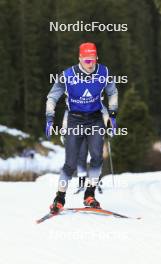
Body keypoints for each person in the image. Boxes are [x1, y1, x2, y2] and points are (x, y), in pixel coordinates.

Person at [46, 42, 118, 213]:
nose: (90, 63)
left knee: (97, 158)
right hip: (74, 120)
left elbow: (112, 92)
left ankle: (90, 195)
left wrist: (112, 115)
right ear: (79, 58)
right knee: (70, 163)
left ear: (96, 58)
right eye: (86, 60)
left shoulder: (103, 72)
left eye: (92, 59)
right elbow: (52, 97)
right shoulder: (68, 75)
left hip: (95, 119)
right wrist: (49, 117)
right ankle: (59, 198)